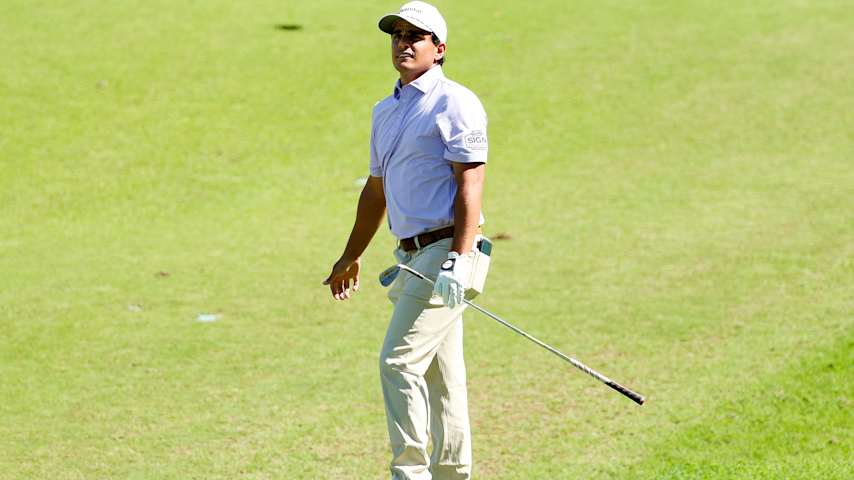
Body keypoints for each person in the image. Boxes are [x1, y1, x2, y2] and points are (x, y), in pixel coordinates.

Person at [323, 2, 488, 478]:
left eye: (417, 35)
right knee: (442, 375)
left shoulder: (455, 101)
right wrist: (349, 256)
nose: (404, 42)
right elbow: (376, 190)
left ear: (440, 49)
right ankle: (454, 474)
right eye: (397, 34)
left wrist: (459, 258)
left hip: (448, 251)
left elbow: (469, 181)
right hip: (413, 256)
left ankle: (410, 474)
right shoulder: (385, 111)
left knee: (397, 362)